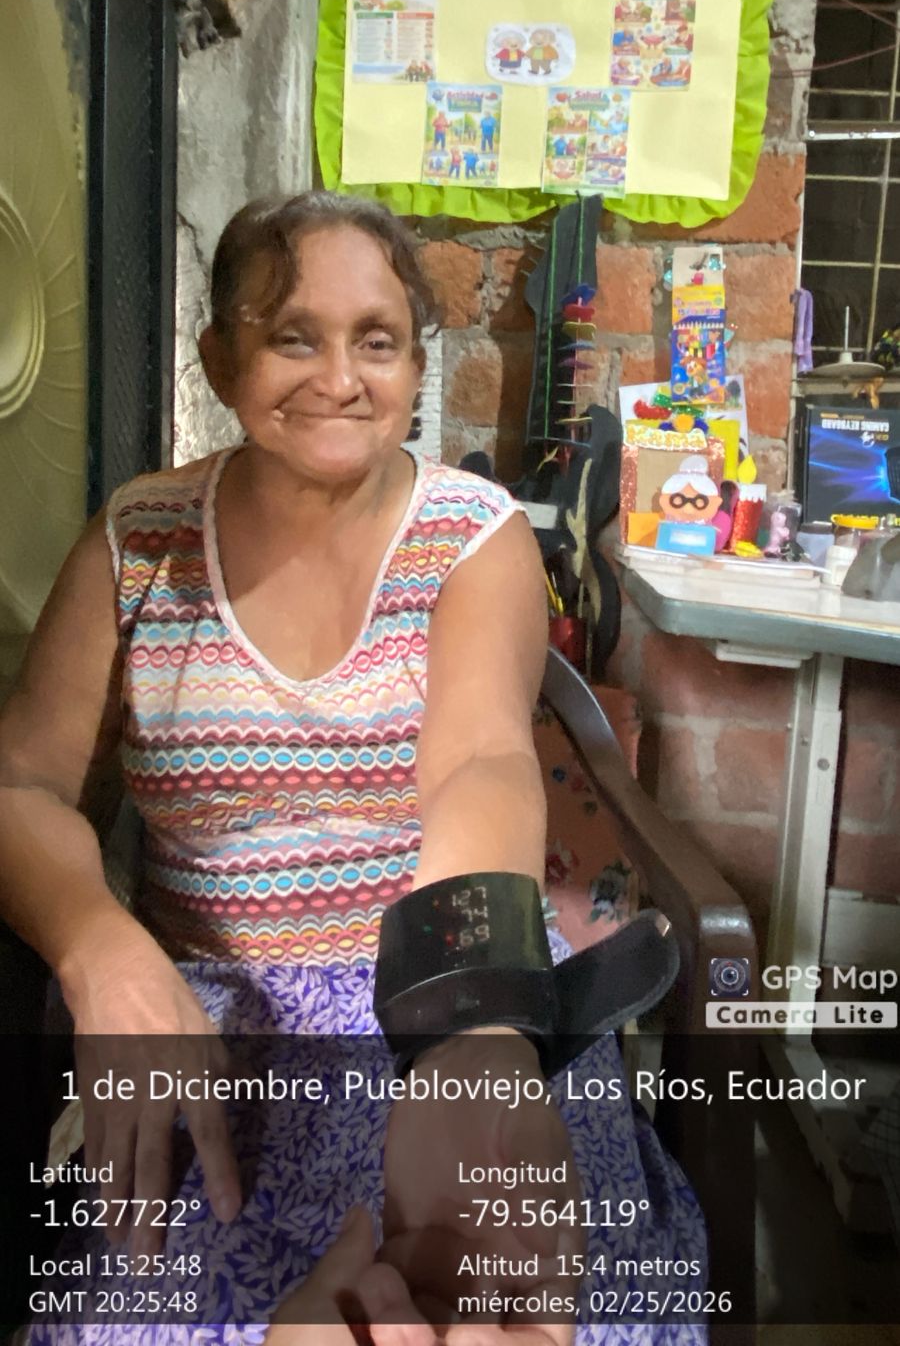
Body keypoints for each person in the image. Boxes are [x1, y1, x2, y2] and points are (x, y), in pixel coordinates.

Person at [0, 190, 704, 1341]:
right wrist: (98, 947)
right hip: (210, 1031)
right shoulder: (137, 543)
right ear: (218, 360)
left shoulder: (470, 536)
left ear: (417, 365)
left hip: (445, 992)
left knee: (521, 1301)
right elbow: (22, 784)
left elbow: (478, 765)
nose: (338, 377)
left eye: (376, 340)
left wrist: (473, 1035)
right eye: (293, 335)